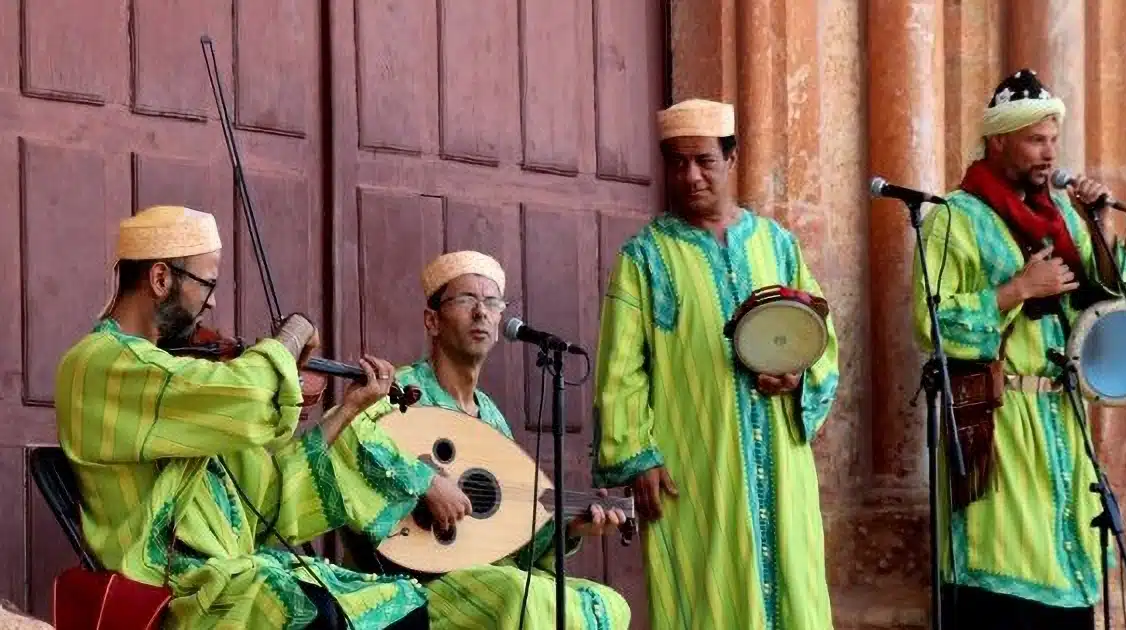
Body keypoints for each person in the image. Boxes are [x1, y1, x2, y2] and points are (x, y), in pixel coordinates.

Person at [55, 205, 436, 629]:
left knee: (401, 608)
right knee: (310, 610)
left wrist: (347, 410)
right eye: (206, 284)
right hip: (171, 592)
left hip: (233, 577)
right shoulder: (99, 363)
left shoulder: (181, 385)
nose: (213, 301)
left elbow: (269, 502)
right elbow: (251, 390)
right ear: (160, 279)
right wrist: (292, 333)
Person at [591, 99, 841, 630]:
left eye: (704, 160)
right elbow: (620, 368)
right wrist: (637, 457)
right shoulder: (644, 257)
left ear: (732, 158)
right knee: (704, 598)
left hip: (780, 458)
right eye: (677, 163)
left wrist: (798, 377)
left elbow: (822, 338)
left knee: (794, 591)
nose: (691, 176)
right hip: (695, 467)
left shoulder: (779, 246)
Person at [911, 69, 1126, 629]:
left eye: (1053, 140)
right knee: (1006, 583)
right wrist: (1018, 290)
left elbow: (1115, 299)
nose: (1049, 153)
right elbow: (931, 321)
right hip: (1001, 426)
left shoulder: (1066, 218)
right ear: (999, 141)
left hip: (1063, 424)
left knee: (1068, 590)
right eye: (1036, 139)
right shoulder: (954, 219)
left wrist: (1101, 224)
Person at [341, 250, 632, 630]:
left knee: (609, 605)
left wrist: (570, 527)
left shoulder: (491, 418)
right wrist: (424, 481)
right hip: (409, 578)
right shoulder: (401, 391)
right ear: (432, 321)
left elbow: (505, 536)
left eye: (491, 302)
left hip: (482, 574)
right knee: (519, 595)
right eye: (466, 300)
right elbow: (348, 442)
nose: (481, 312)